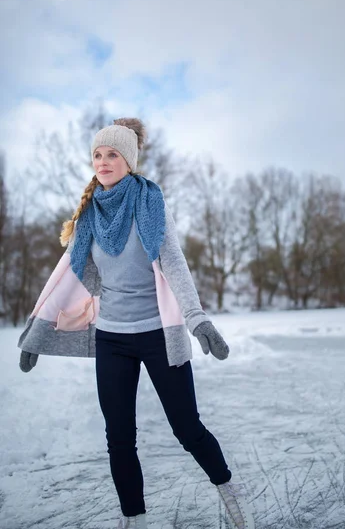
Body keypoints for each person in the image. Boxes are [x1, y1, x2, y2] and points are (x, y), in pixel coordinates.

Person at [18, 118, 255, 529]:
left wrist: (196, 319)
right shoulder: (89, 215)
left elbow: (175, 265)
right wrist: (37, 332)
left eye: (113, 154)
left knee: (188, 429)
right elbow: (68, 274)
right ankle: (136, 520)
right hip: (111, 339)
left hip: (156, 335)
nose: (104, 161)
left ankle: (230, 492)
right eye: (98, 154)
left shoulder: (149, 203)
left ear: (129, 160)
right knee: (119, 439)